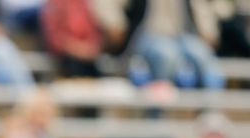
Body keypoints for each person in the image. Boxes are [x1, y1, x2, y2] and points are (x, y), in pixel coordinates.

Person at [92, 0, 224, 88]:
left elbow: (200, 6)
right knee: (166, 55)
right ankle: (157, 117)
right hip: (146, 35)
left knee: (202, 54)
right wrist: (115, 23)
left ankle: (210, 116)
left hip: (181, 35)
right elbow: (107, 4)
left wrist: (209, 31)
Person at [41, 0, 106, 78]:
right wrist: (77, 49)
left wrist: (91, 48)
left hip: (89, 55)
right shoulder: (54, 4)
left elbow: (93, 32)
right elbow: (55, 38)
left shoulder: (84, 3)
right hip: (65, 57)